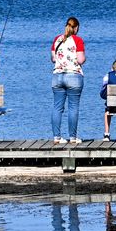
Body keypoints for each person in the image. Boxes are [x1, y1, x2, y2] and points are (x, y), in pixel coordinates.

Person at [50, 16, 85, 144]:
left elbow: (53, 59)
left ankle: (56, 137)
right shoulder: (78, 40)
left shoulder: (57, 39)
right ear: (76, 28)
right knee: (73, 107)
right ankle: (73, 138)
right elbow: (80, 60)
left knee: (57, 107)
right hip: (74, 76)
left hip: (57, 76)